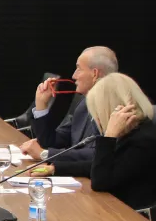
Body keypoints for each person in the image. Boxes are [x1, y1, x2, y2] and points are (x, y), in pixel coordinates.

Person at [20, 46, 118, 176]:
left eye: (79, 68)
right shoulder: (84, 104)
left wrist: (45, 154)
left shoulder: (116, 107)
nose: (74, 75)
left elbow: (97, 153)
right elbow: (52, 141)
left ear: (95, 73)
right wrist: (41, 105)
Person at [82, 73, 156, 210]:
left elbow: (100, 182)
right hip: (114, 207)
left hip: (131, 220)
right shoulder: (133, 132)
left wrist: (109, 135)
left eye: (98, 112)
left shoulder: (143, 142)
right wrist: (55, 168)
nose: (97, 119)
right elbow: (99, 166)